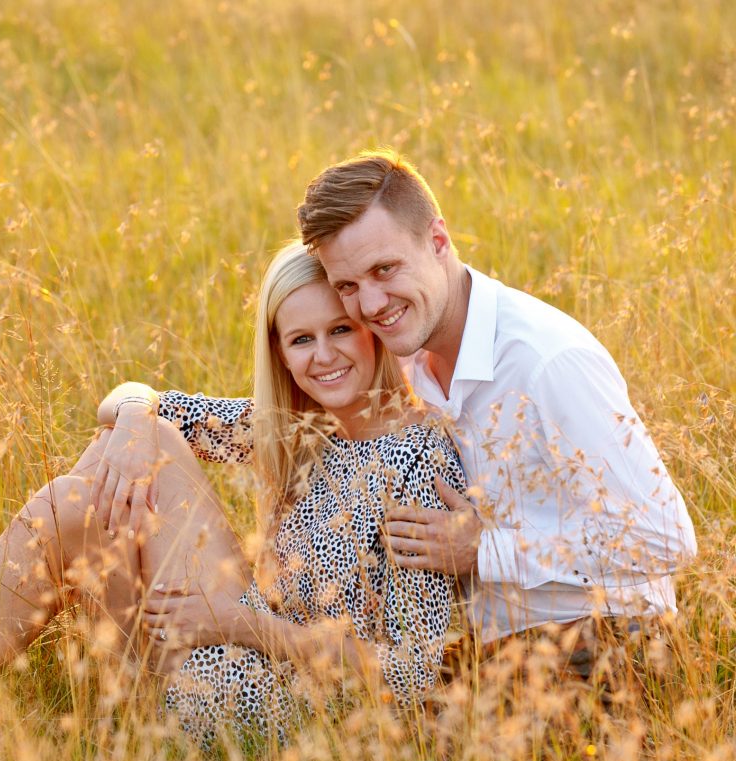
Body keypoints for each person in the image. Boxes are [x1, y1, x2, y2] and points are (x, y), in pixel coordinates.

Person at [0, 241, 467, 747]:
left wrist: (236, 624)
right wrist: (131, 422)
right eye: (301, 339)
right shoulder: (302, 429)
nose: (323, 355)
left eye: (339, 329)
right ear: (281, 354)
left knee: (90, 487)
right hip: (225, 646)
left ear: (372, 328)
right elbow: (132, 398)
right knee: (113, 461)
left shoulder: (416, 460)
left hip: (297, 709)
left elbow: (412, 674)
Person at [295, 150, 697, 680]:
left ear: (438, 241)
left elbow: (663, 536)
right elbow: (301, 417)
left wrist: (483, 549)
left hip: (604, 640)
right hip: (493, 647)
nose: (369, 304)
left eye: (384, 269)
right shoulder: (404, 354)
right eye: (347, 285)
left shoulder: (546, 362)